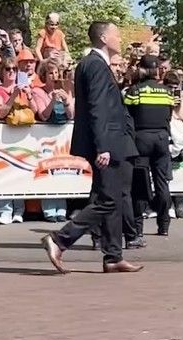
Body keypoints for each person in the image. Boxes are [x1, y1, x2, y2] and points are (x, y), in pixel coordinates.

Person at [41, 21, 142, 274]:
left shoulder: (92, 64)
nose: (120, 39)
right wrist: (103, 146)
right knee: (108, 200)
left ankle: (113, 256)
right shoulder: (95, 65)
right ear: (104, 38)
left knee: (112, 198)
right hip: (108, 143)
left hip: (111, 141)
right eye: (117, 35)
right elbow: (98, 107)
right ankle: (59, 239)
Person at [124, 55, 174, 237]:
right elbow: (169, 115)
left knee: (139, 184)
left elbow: (127, 116)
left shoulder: (135, 91)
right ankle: (164, 225)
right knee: (162, 183)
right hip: (161, 137)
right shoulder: (167, 92)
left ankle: (138, 228)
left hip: (141, 138)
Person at [0, 59, 45, 224]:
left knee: (20, 173)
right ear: (1, 71)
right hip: (5, 136)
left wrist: (29, 95)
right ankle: (5, 211)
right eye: (8, 69)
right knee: (3, 173)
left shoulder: (23, 88)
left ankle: (19, 211)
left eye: (14, 69)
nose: (11, 72)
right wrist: (13, 95)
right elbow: (1, 112)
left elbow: (35, 111)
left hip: (24, 136)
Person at [34, 59, 75, 223]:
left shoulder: (66, 90)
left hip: (62, 139)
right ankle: (49, 209)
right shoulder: (38, 91)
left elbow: (71, 115)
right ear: (44, 75)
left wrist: (66, 101)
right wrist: (52, 100)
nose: (54, 76)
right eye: (51, 73)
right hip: (45, 138)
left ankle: (62, 209)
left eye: (56, 72)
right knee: (47, 172)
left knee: (62, 171)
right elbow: (43, 115)